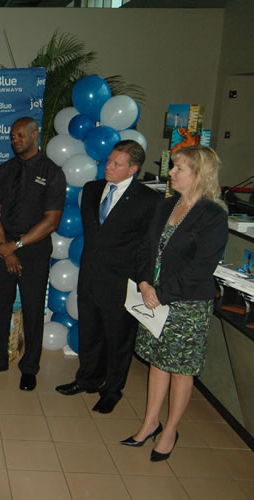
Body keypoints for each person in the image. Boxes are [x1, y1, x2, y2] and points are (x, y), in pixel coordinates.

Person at [123, 145, 227, 461]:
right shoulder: (165, 205)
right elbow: (145, 248)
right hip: (153, 296)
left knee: (181, 369)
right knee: (158, 362)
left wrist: (161, 293)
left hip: (187, 304)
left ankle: (170, 431)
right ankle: (150, 423)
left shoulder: (213, 215)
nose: (171, 173)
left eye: (179, 168)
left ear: (199, 174)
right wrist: (143, 282)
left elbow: (201, 267)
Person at [55, 140, 161, 413]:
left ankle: (112, 390)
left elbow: (147, 248)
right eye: (109, 161)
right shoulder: (91, 190)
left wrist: (143, 281)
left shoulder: (148, 200)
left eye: (117, 164)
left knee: (118, 338)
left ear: (133, 169)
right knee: (90, 330)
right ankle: (87, 379)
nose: (108, 167)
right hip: (89, 275)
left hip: (121, 281)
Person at [0, 117, 65, 391]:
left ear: (35, 135)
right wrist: (5, 247)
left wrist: (18, 246)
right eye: (12, 136)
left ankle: (29, 367)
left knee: (33, 309)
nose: (14, 140)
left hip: (34, 250)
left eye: (20, 136)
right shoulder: (5, 170)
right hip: (4, 248)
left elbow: (51, 221)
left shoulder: (52, 172)